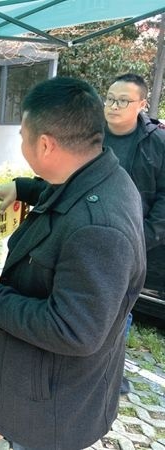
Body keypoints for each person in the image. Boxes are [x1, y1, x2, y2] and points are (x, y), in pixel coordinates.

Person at [0, 77, 146, 449]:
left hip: (53, 407)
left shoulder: (97, 229)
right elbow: (65, 191)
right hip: (51, 385)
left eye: (22, 136)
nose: (21, 143)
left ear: (45, 144)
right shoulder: (102, 173)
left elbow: (73, 330)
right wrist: (21, 188)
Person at [103, 74, 165, 386]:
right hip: (89, 234)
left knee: (121, 307)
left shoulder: (157, 143)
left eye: (123, 101)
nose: (114, 106)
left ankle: (113, 371)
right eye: (110, 99)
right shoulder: (89, 135)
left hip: (133, 242)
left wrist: (145, 236)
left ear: (141, 104)